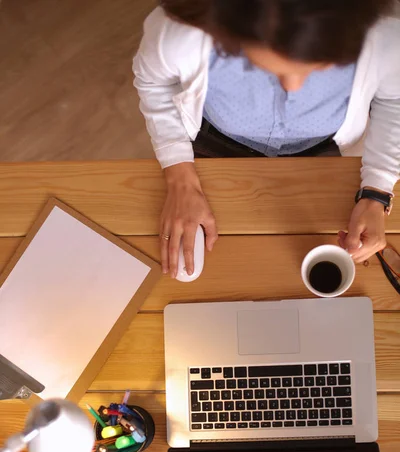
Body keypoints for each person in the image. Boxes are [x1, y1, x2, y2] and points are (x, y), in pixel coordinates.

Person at [133, 0, 400, 278]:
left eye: (319, 67)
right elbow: (154, 83)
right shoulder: (180, 32)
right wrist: (180, 177)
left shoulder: (387, 35)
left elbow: (394, 100)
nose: (293, 88)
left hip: (326, 149)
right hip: (213, 142)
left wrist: (376, 191)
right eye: (269, 68)